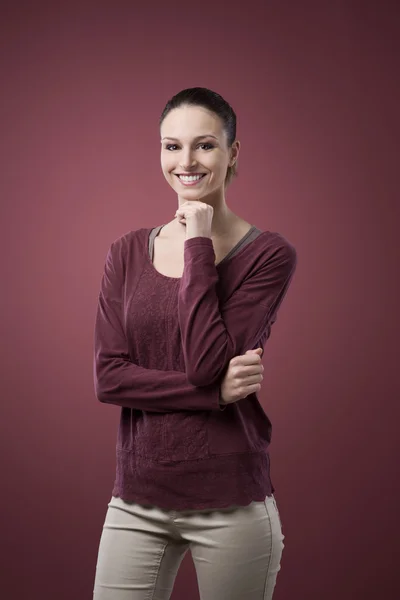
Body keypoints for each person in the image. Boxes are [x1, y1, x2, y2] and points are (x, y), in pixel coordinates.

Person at [92, 87, 297, 600]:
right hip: (137, 499)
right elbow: (109, 377)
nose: (186, 162)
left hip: (230, 502)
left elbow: (206, 361)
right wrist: (212, 395)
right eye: (171, 146)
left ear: (232, 153)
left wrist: (197, 244)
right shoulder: (125, 253)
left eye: (204, 145)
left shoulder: (268, 255)